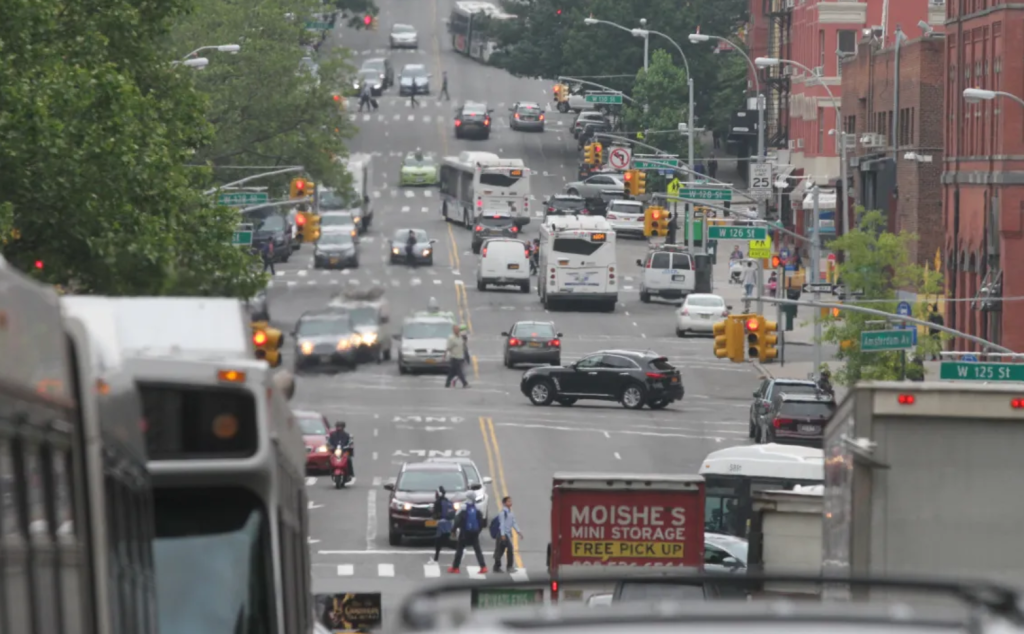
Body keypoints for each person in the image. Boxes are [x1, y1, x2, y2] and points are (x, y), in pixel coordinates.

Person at [448, 491, 487, 574]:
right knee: (477, 550)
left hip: (464, 532)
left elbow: (457, 520)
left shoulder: (463, 507)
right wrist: (478, 531)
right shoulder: (477, 507)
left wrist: (453, 530)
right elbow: (481, 521)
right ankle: (483, 567)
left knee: (459, 549)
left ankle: (455, 568)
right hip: (474, 532)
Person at [493, 496, 523, 573]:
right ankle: (509, 567)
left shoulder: (511, 513)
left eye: (510, 501)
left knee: (500, 551)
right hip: (502, 534)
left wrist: (518, 532)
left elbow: (514, 523)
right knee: (509, 549)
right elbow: (502, 524)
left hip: (506, 534)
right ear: (504, 503)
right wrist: (502, 535)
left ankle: (496, 566)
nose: (510, 503)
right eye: (508, 501)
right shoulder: (503, 513)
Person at [430, 487, 455, 563]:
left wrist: (431, 512)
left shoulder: (438, 502)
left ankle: (461, 549)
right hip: (447, 523)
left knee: (443, 541)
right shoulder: (447, 501)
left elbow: (435, 515)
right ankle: (435, 559)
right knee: (440, 542)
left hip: (441, 524)